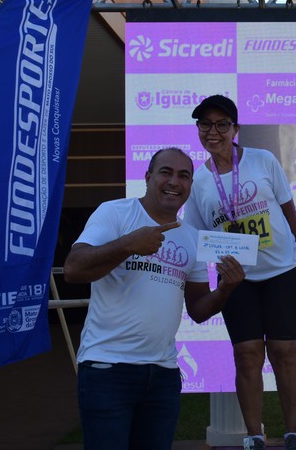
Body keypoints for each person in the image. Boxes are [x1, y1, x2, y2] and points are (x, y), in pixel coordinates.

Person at [63, 147, 243, 450]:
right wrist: (128, 244)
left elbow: (198, 310)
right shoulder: (115, 212)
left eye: (184, 176)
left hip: (163, 375)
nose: (175, 181)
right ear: (147, 177)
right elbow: (73, 269)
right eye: (166, 172)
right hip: (108, 370)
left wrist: (225, 289)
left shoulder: (190, 237)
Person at [183, 95, 296, 450]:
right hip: (237, 281)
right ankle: (254, 435)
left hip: (284, 273)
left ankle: (293, 434)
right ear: (198, 131)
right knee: (247, 354)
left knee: (285, 353)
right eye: (205, 125)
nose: (213, 132)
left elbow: (289, 212)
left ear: (235, 130)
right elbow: (195, 238)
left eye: (222, 124)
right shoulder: (198, 182)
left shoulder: (263, 160)